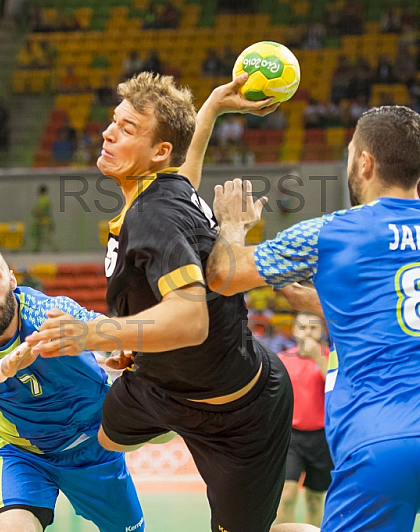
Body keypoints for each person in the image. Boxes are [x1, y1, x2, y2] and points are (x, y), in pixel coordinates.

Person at [206, 106, 420, 531]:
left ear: (365, 162)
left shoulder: (328, 234)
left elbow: (224, 277)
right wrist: (325, 305)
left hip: (377, 442)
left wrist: (232, 225)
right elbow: (415, 308)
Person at [27, 72, 294, 532]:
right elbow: (184, 174)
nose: (109, 133)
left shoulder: (154, 215)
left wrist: (92, 333)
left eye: (128, 129)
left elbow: (190, 321)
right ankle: (158, 386)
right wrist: (210, 108)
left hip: (236, 414)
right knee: (108, 438)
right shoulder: (167, 190)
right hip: (161, 390)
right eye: (113, 122)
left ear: (158, 152)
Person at [0, 244, 143, 532]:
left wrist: (121, 346)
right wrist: (1, 368)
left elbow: (99, 325)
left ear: (12, 280)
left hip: (95, 443)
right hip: (23, 452)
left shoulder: (46, 312)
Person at [275, 312, 333, 528]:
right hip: (291, 438)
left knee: (315, 500)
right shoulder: (282, 360)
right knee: (286, 494)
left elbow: (335, 389)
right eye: (302, 327)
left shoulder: (332, 358)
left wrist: (319, 358)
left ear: (322, 332)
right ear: (294, 331)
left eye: (313, 327)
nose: (308, 332)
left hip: (323, 438)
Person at [31, 185, 54, 252]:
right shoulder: (46, 199)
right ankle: (36, 249)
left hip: (43, 220)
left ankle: (54, 249)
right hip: (45, 220)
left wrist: (37, 217)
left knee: (45, 236)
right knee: (40, 236)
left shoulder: (42, 199)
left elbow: (41, 209)